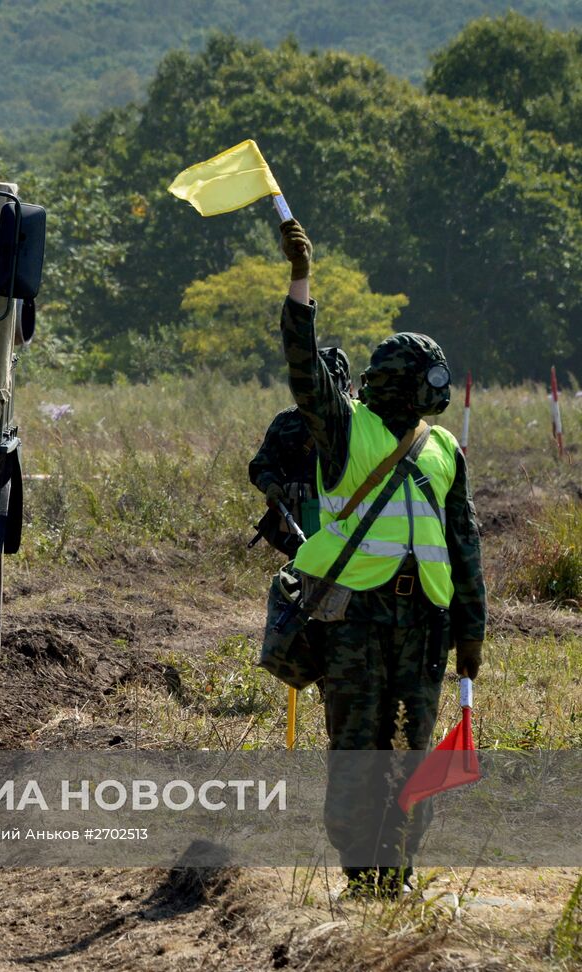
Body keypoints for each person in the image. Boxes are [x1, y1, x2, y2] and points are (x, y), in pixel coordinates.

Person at [276, 218, 486, 897]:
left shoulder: (445, 450)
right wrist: (300, 280)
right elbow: (305, 369)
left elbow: (465, 547)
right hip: (356, 621)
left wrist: (471, 637)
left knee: (414, 754)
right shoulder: (345, 427)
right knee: (358, 753)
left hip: (424, 620)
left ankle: (395, 870)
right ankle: (362, 869)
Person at [249, 347, 353, 556]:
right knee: (300, 578)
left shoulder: (359, 421)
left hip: (350, 522)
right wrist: (272, 486)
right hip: (302, 521)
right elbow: (262, 465)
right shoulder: (287, 420)